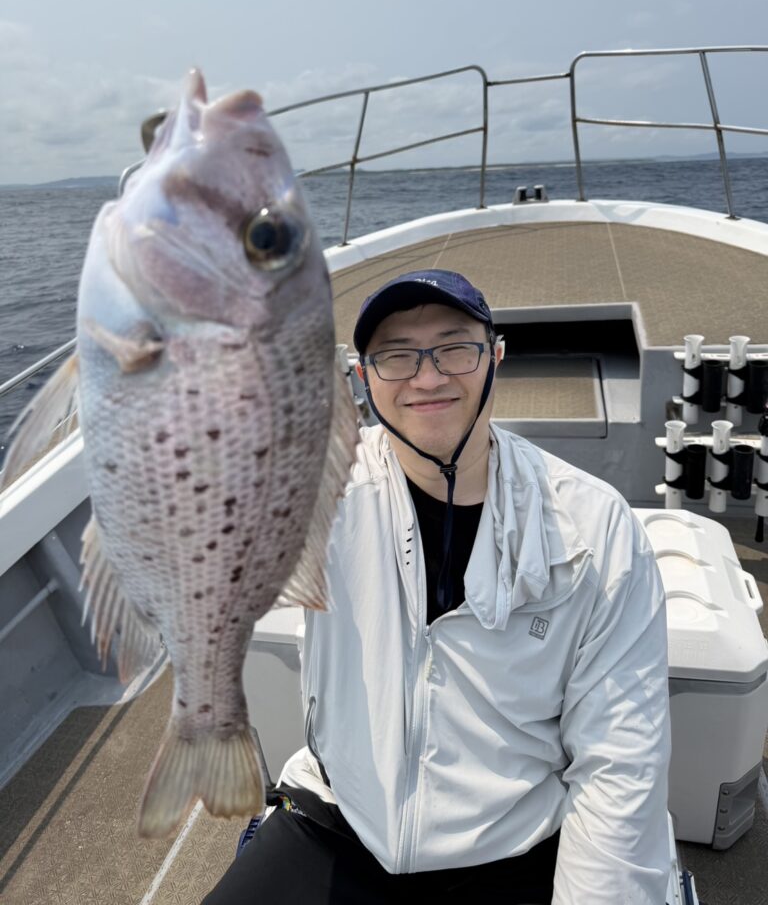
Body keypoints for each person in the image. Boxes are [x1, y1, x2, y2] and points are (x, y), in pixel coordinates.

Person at [204, 269, 671, 904]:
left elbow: (619, 762)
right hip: (338, 819)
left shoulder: (595, 528)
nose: (427, 378)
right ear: (364, 378)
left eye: (454, 348)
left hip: (511, 845)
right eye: (396, 356)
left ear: (495, 358)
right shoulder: (315, 489)